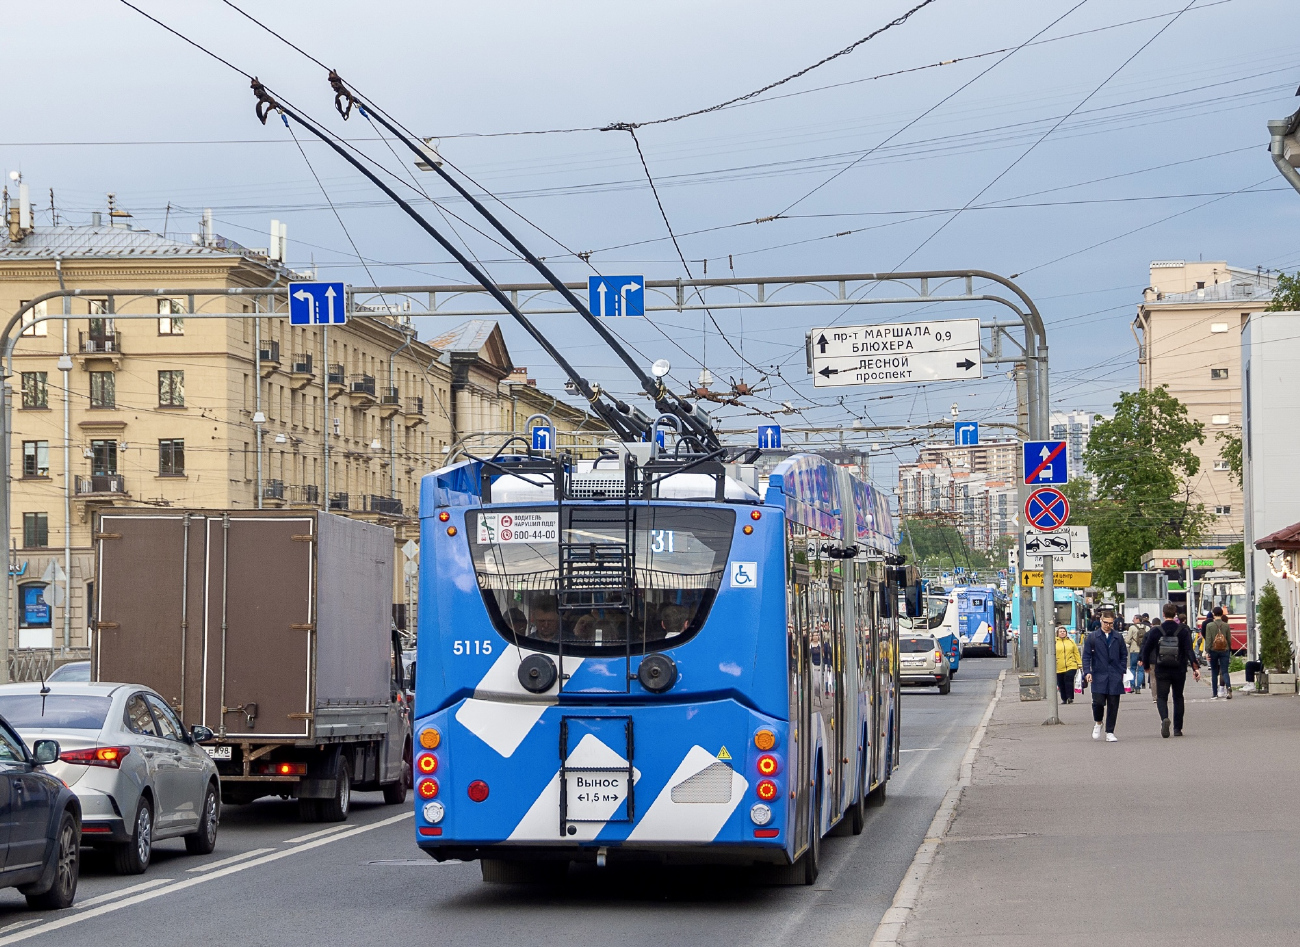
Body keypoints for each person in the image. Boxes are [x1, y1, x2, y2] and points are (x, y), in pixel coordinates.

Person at [1142, 602, 1202, 738]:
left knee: (1162, 697)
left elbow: (1146, 649)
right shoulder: (1182, 630)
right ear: (1175, 614)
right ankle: (1177, 729)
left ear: (1163, 614)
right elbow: (1188, 650)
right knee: (1178, 697)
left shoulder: (1156, 631)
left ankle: (1164, 718)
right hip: (1179, 669)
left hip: (1162, 668)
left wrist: (1146, 665)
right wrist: (1195, 667)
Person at [1082, 611, 1128, 741]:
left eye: (1110, 623)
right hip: (1098, 673)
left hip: (1114, 674)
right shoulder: (1092, 637)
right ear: (1101, 621)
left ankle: (1110, 731)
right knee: (1098, 702)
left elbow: (1124, 654)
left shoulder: (1118, 637)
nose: (1108, 625)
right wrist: (1087, 672)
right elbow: (1086, 656)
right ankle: (1098, 722)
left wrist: (1121, 669)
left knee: (1113, 704)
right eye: (1105, 622)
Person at [1205, 606, 1233, 700]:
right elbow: (1229, 639)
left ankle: (1214, 693)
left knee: (1214, 672)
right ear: (1222, 614)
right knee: (1224, 671)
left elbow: (1208, 640)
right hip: (1224, 650)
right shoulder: (1226, 625)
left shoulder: (1209, 626)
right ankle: (1228, 688)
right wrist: (1228, 649)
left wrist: (1207, 651)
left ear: (1213, 614)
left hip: (1213, 650)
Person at [1055, 626, 1082, 704]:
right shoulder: (1054, 642)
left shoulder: (1071, 641)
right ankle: (1064, 698)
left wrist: (1079, 663)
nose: (1062, 633)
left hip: (1071, 665)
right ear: (1057, 633)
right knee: (1061, 683)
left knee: (1069, 680)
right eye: (1061, 631)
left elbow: (1076, 653)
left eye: (1064, 631)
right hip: (1059, 666)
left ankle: (1070, 697)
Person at [1124, 614, 1147, 694]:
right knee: (1141, 670)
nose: (1133, 620)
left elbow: (1127, 640)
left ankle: (1132, 686)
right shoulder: (1147, 628)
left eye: (1134, 619)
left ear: (1137, 619)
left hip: (1134, 650)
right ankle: (1138, 687)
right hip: (1143, 651)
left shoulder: (1132, 628)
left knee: (1133, 668)